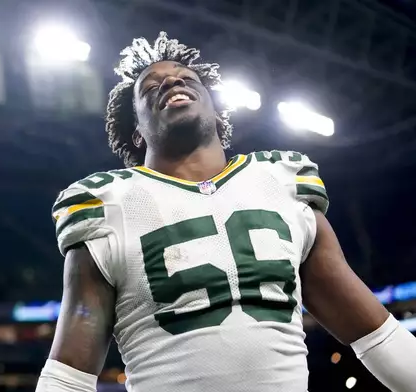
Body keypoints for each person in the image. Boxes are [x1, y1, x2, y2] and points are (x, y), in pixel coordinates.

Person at [36, 32, 416, 392]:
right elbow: (68, 375)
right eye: (152, 87)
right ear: (136, 131)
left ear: (218, 115)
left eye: (186, 78)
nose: (171, 83)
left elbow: (377, 334)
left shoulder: (281, 183)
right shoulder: (107, 205)